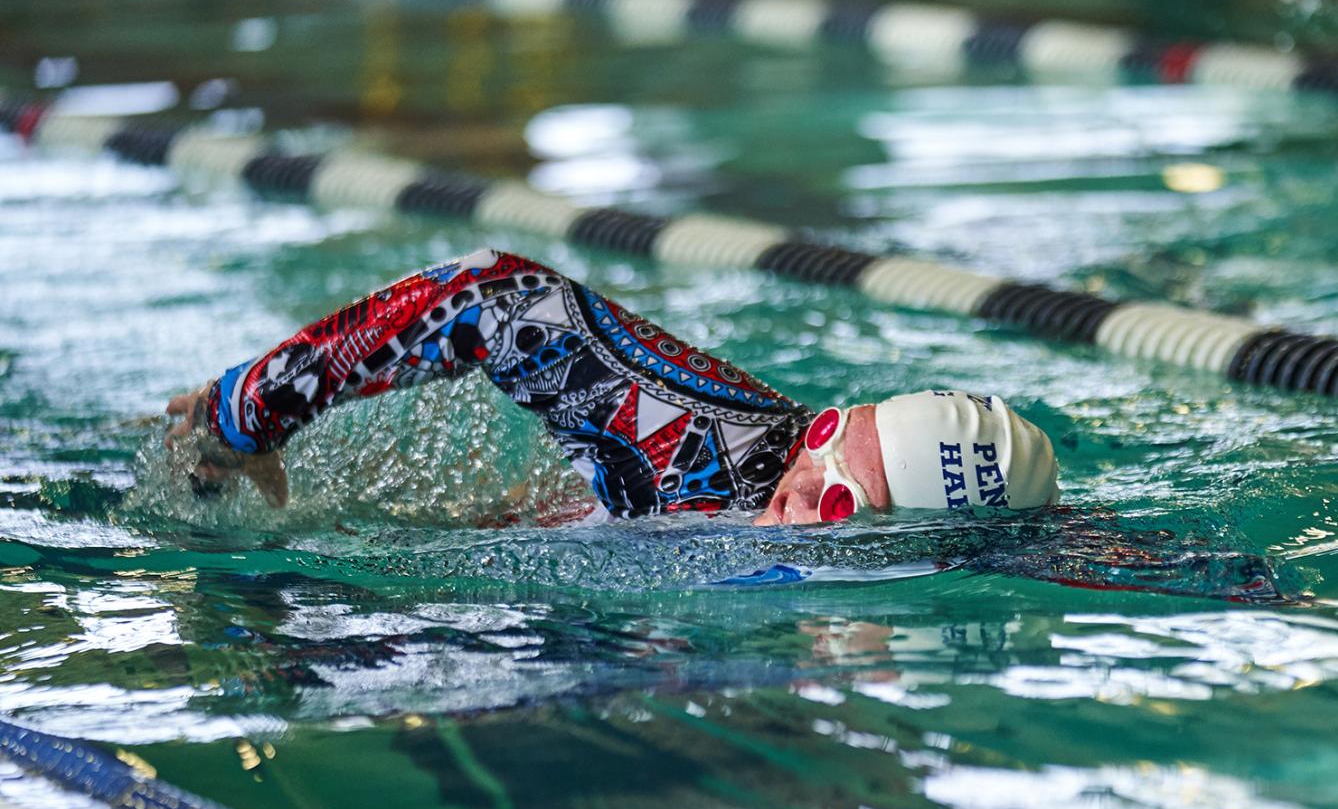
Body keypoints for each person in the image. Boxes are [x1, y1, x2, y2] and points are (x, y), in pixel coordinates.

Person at [166, 247, 1059, 526]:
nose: (799, 489)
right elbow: (494, 292)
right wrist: (252, 410)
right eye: (825, 441)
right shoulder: (702, 446)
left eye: (838, 508)